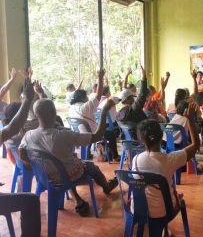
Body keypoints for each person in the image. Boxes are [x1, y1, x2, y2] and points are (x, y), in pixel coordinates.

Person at [19, 98, 119, 214]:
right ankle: (107, 187)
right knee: (90, 166)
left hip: (45, 177)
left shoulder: (29, 135)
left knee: (66, 163)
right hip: (68, 175)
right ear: (54, 113)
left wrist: (39, 165)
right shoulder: (64, 134)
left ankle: (78, 200)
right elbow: (97, 136)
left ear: (36, 115)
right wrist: (104, 111)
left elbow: (22, 155)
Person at [131, 103, 200, 236]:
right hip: (164, 211)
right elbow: (196, 144)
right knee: (169, 193)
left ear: (142, 141)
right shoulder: (171, 159)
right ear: (162, 135)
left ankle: (162, 230)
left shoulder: (136, 159)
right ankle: (164, 231)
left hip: (138, 209)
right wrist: (190, 119)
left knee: (156, 191)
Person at [0, 76, 41, 237]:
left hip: (20, 163)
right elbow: (14, 128)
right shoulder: (27, 129)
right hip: (31, 164)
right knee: (31, 200)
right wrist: (29, 98)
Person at [69, 69, 120, 162]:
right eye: (86, 96)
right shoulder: (85, 107)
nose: (88, 98)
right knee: (111, 134)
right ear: (82, 97)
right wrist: (100, 77)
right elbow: (99, 94)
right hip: (93, 133)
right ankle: (115, 156)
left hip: (78, 133)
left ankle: (91, 152)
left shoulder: (71, 108)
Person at [116, 66, 148, 140]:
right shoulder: (132, 109)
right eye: (132, 97)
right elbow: (142, 96)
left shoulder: (119, 113)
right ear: (127, 99)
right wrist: (143, 78)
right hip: (140, 139)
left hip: (127, 140)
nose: (134, 99)